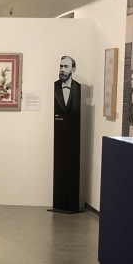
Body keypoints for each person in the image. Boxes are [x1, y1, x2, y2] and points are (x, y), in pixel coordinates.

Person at [53, 55, 81, 213]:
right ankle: (59, 202)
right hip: (59, 137)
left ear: (73, 69)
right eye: (61, 66)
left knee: (72, 171)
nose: (62, 69)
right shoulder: (56, 86)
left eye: (66, 66)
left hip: (73, 137)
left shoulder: (78, 88)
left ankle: (71, 203)